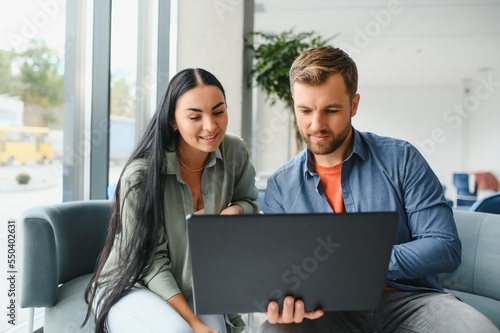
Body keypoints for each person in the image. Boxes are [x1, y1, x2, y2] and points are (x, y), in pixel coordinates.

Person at [258, 46, 500, 333]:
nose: (316, 124)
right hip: (327, 310)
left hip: (412, 300)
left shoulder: (401, 158)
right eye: (305, 110)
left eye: (331, 110)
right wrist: (282, 299)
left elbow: (443, 246)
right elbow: (284, 271)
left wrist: (361, 264)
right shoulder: (280, 186)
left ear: (354, 105)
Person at [84, 68, 260, 333]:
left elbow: (250, 202)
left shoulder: (234, 150)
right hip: (130, 284)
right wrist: (194, 321)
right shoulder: (140, 177)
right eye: (195, 116)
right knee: (180, 332)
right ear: (173, 121)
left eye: (218, 111)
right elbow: (150, 262)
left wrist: (236, 210)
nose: (211, 126)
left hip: (193, 284)